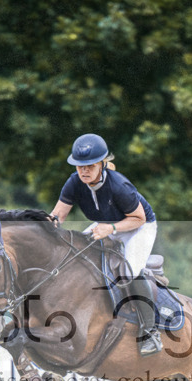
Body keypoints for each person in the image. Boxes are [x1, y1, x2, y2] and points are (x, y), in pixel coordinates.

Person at [49, 133, 162, 356]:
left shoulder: (119, 185)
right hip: (106, 224)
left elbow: (138, 218)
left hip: (138, 226)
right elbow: (57, 216)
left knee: (130, 273)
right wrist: (37, 226)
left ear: (102, 163)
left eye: (89, 165)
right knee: (73, 257)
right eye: (79, 166)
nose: (84, 171)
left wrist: (110, 229)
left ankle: (150, 332)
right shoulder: (74, 182)